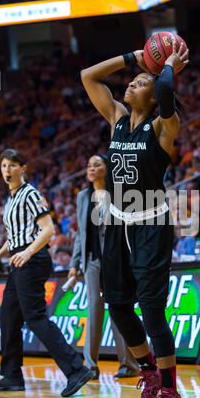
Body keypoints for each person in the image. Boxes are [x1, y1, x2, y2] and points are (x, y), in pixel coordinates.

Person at [80, 37, 188, 398]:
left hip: (152, 224)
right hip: (118, 225)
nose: (132, 84)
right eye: (132, 81)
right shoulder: (117, 120)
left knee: (153, 311)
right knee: (119, 306)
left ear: (154, 95)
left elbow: (164, 89)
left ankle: (172, 396)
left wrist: (167, 65)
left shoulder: (164, 123)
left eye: (140, 82)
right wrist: (132, 57)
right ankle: (150, 378)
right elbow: (89, 76)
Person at [0, 149, 94, 396]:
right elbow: (14, 236)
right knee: (7, 317)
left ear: (23, 168)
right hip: (18, 261)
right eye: (4, 165)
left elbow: (48, 230)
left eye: (12, 165)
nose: (7, 170)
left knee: (36, 318)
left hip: (33, 260)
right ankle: (11, 375)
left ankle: (76, 369)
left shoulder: (31, 194)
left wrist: (27, 253)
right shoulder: (11, 200)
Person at [68, 154, 139, 379]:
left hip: (116, 261)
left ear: (107, 169)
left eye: (96, 165)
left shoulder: (118, 194)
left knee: (118, 309)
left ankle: (128, 365)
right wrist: (74, 263)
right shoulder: (82, 197)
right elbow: (81, 234)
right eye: (88, 165)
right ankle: (90, 366)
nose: (91, 168)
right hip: (92, 261)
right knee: (93, 309)